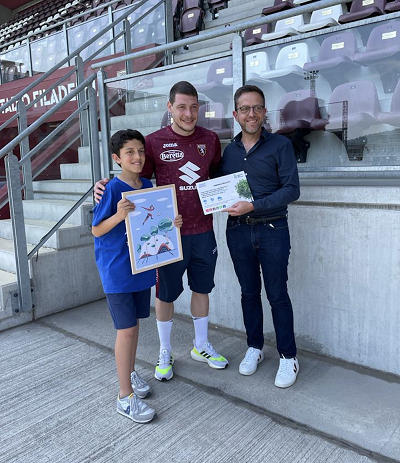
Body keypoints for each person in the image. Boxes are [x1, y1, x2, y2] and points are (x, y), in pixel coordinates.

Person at [94, 81, 228, 382]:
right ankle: (165, 350)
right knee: (165, 294)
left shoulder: (210, 139)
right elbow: (131, 177)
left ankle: (201, 345)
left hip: (203, 229)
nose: (188, 113)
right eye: (181, 107)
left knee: (202, 288)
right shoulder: (153, 142)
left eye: (193, 107)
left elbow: (217, 175)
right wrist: (103, 184)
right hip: (167, 235)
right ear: (170, 108)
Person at [92, 129, 182, 423]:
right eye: (129, 152)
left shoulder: (146, 185)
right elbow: (96, 229)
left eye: (141, 151)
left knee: (134, 326)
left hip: (140, 268)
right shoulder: (111, 189)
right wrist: (118, 215)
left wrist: (171, 223)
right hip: (117, 271)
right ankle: (124, 397)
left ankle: (129, 373)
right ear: (116, 158)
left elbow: (151, 221)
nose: (137, 157)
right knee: (126, 330)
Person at [220, 85, 300, 388]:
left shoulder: (280, 145)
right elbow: (216, 186)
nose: (251, 114)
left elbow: (292, 190)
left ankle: (288, 356)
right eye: (245, 109)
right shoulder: (229, 151)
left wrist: (254, 205)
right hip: (238, 231)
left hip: (272, 230)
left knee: (277, 295)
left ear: (265, 112)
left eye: (257, 108)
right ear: (236, 114)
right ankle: (255, 347)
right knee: (249, 293)